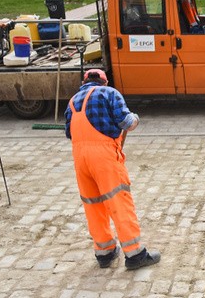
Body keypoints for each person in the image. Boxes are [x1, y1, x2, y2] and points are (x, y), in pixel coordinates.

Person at [65, 68, 160, 270]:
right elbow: (126, 123)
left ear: (84, 83)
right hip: (104, 156)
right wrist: (135, 117)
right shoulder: (109, 93)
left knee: (93, 204)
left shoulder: (73, 101)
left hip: (80, 158)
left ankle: (104, 252)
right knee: (119, 201)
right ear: (104, 82)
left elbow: (68, 132)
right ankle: (135, 254)